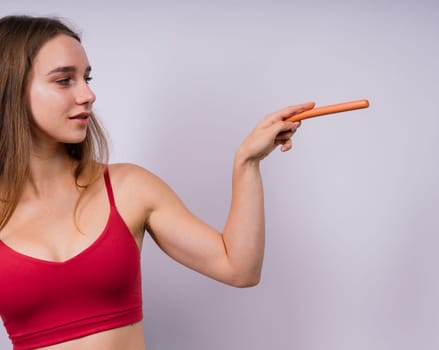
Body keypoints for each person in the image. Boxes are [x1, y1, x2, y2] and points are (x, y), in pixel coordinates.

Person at [0, 15, 314, 350]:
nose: (88, 94)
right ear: (11, 89)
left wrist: (247, 162)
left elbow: (239, 268)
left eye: (87, 78)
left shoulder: (127, 187)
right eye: (65, 80)